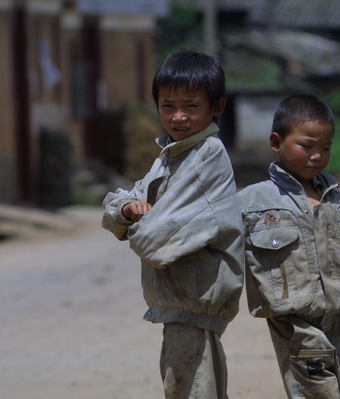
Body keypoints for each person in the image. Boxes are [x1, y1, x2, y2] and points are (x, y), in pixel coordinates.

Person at [101, 51, 244, 399]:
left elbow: (153, 241)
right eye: (168, 105)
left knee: (191, 389)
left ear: (217, 106)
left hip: (195, 306)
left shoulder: (206, 155)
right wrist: (128, 209)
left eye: (191, 106)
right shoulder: (171, 156)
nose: (178, 116)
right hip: (181, 308)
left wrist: (135, 218)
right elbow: (113, 206)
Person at [238, 93, 340, 399]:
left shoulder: (337, 201)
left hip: (339, 322)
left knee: (338, 391)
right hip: (295, 325)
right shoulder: (252, 202)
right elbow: (217, 245)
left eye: (325, 148)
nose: (317, 155)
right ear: (276, 142)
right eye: (307, 146)